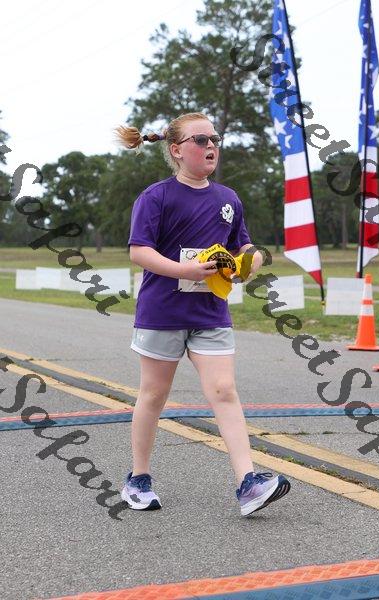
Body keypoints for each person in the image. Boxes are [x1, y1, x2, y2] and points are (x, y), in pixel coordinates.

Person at [114, 112, 290, 516]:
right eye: (200, 140)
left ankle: (248, 483)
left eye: (214, 139)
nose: (210, 146)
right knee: (154, 395)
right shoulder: (155, 197)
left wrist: (252, 259)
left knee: (224, 390)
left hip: (211, 312)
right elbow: (139, 251)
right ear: (176, 150)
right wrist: (185, 270)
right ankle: (138, 479)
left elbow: (242, 245)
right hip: (162, 313)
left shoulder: (228, 199)